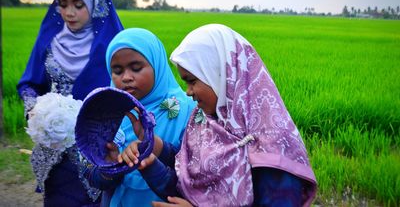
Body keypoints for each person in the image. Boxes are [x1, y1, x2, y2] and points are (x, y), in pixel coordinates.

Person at [122, 24, 318, 206]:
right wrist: (154, 154)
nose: (188, 92)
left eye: (192, 81)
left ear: (221, 75)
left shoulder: (272, 148)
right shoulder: (205, 121)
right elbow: (190, 179)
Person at [17, 0, 124, 206]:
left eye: (78, 4)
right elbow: (29, 84)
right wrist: (37, 110)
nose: (69, 12)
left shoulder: (112, 44)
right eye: (63, 4)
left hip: (97, 147)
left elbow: (127, 90)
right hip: (55, 143)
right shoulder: (50, 41)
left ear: (94, 3)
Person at [85, 28, 195, 207]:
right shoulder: (105, 113)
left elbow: (195, 177)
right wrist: (110, 168)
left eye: (136, 68)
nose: (127, 77)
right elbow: (92, 176)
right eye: (117, 71)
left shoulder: (187, 110)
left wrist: (156, 148)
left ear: (156, 65)